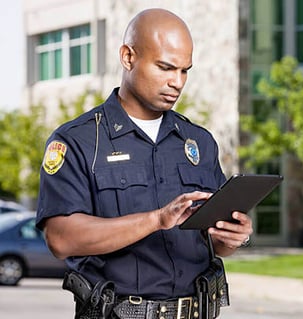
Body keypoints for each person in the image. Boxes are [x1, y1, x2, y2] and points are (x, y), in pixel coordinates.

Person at [36, 8, 253, 319]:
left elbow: (213, 243)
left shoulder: (198, 142)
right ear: (128, 57)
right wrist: (157, 219)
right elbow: (61, 238)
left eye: (184, 70)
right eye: (165, 67)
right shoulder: (78, 141)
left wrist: (232, 237)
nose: (177, 82)